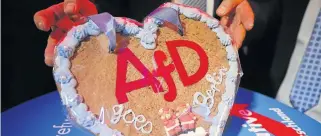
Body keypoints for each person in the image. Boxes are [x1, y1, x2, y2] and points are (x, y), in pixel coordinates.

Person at [33, 0, 255, 66]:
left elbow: (269, 6)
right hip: (139, 77)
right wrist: (94, 17)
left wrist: (251, 12)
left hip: (222, 75)